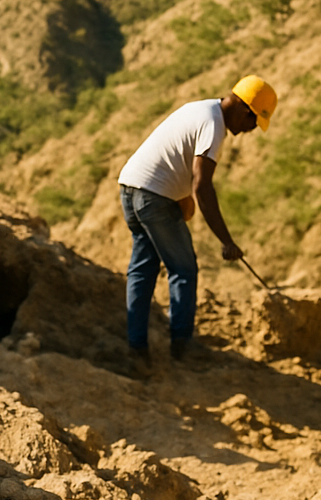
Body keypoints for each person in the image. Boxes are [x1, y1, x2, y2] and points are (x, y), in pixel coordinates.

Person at [117, 75, 277, 371]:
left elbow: (182, 170)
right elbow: (203, 187)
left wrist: (184, 201)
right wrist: (226, 241)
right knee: (184, 269)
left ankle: (136, 350)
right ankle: (182, 347)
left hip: (129, 189)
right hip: (154, 198)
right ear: (244, 109)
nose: (251, 130)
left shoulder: (201, 109)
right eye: (254, 122)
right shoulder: (214, 126)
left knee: (143, 269)